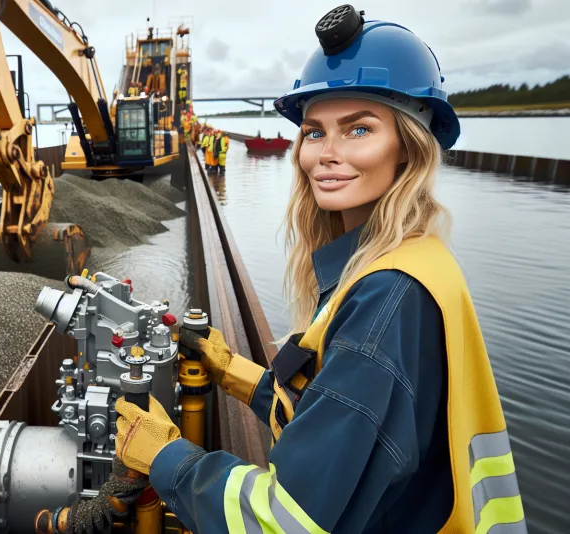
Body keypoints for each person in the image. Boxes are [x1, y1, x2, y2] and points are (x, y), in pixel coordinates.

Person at [114, 5, 525, 534]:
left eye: (359, 130)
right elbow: (348, 421)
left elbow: (285, 521)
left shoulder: (387, 300)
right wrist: (235, 372)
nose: (327, 154)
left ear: (410, 145)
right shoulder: (405, 257)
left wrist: (168, 457)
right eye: (314, 132)